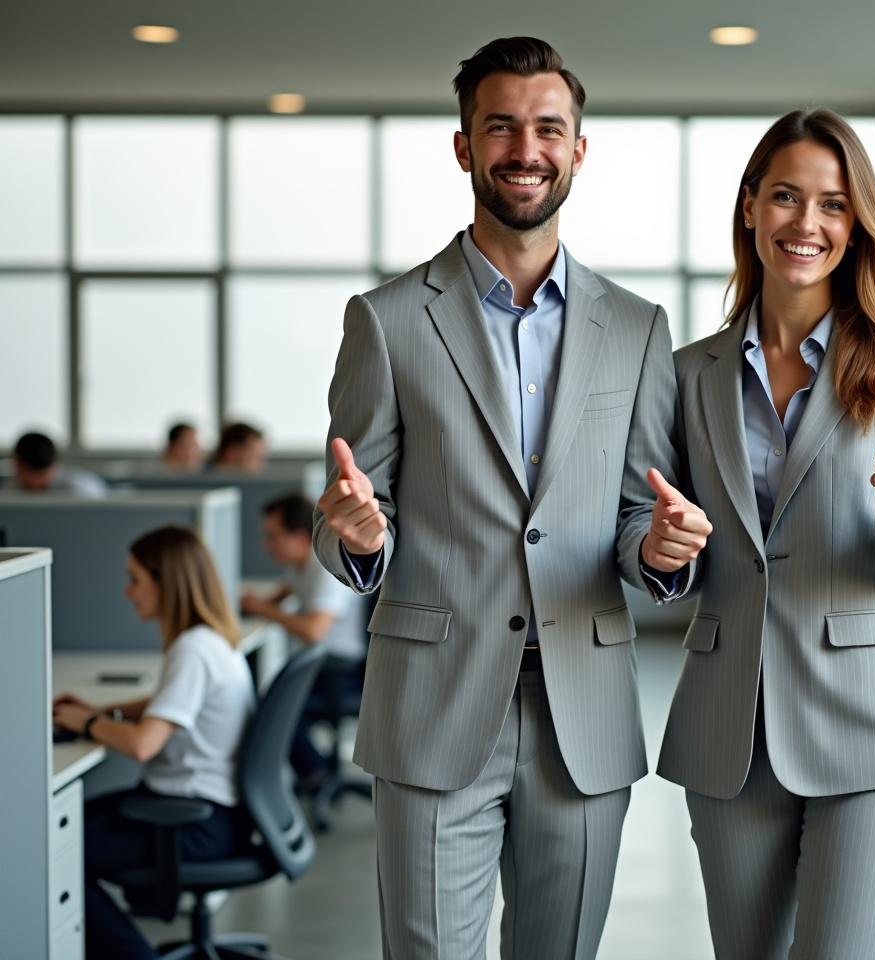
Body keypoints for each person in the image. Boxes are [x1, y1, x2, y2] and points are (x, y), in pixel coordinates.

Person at [313, 37, 705, 958]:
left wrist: (656, 549)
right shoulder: (389, 319)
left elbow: (638, 508)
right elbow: (346, 519)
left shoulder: (638, 328)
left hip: (585, 711)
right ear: (464, 147)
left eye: (547, 128)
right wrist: (362, 539)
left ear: (578, 148)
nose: (524, 149)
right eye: (500, 127)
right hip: (434, 707)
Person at [652, 109, 875, 959]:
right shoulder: (688, 374)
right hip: (730, 725)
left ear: (855, 225)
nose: (807, 224)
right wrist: (665, 551)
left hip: (870, 726)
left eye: (832, 204)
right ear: (750, 207)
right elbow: (667, 547)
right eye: (786, 197)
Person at [51, 526, 255, 960]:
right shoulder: (210, 641)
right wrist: (107, 712)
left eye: (135, 579)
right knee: (57, 829)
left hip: (193, 821)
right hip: (204, 809)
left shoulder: (193, 651)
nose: (128, 592)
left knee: (56, 854)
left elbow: (144, 745)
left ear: (167, 583)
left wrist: (86, 722)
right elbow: (165, 704)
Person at [240, 492, 366, 791]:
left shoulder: (324, 567)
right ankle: (315, 771)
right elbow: (281, 594)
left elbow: (313, 631)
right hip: (323, 663)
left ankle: (315, 773)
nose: (266, 545)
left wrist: (265, 609)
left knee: (273, 703)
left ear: (298, 537)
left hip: (342, 670)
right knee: (268, 694)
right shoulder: (300, 564)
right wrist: (259, 603)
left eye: (273, 537)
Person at [9, 430, 108, 495]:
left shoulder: (81, 489)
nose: (36, 483)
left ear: (54, 466)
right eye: (31, 473)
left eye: (42, 475)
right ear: (17, 465)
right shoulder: (10, 492)